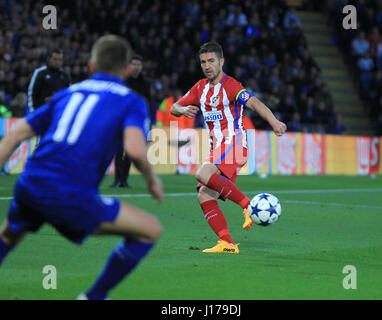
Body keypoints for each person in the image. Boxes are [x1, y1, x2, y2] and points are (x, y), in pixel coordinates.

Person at [0, 35, 163, 300]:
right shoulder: (132, 100)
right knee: (150, 230)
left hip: (30, 185)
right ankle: (94, 297)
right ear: (125, 70)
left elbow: (13, 136)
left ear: (90, 66)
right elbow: (134, 149)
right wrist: (151, 179)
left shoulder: (67, 93)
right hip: (70, 195)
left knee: (8, 235)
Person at [170, 41, 286, 254]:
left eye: (211, 61)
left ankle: (248, 206)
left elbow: (255, 103)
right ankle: (227, 244)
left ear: (221, 61)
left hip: (234, 144)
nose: (207, 66)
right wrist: (182, 108)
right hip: (219, 149)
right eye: (203, 62)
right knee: (204, 194)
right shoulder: (199, 88)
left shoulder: (231, 86)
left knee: (202, 173)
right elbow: (173, 107)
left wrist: (275, 122)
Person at [110, 54, 152, 188]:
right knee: (118, 150)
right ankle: (117, 180)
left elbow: (148, 105)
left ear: (141, 67)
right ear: (129, 66)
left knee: (129, 152)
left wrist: (148, 124)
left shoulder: (145, 84)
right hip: (121, 119)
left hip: (136, 122)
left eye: (138, 65)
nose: (136, 67)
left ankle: (124, 181)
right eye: (134, 64)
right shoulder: (123, 81)